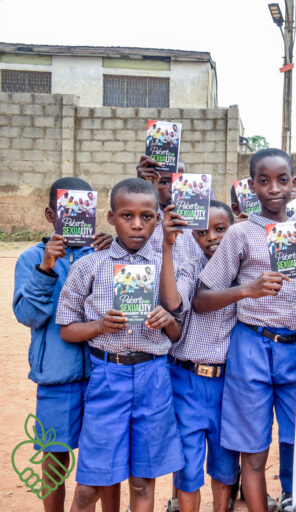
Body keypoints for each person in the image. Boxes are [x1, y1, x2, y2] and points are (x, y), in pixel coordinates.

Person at [192, 149, 296, 512]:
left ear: (293, 185)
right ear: (251, 187)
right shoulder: (239, 235)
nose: (273, 188)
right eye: (263, 181)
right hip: (251, 345)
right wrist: (247, 290)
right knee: (253, 451)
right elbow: (201, 299)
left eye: (282, 181)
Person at [56, 178, 184, 512]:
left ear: (157, 220)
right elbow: (66, 330)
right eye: (127, 216)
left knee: (143, 481)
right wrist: (99, 325)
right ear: (111, 217)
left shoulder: (164, 265)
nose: (137, 224)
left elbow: (177, 331)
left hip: (153, 378)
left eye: (146, 216)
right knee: (91, 484)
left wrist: (166, 318)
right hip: (107, 378)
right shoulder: (89, 265)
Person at [12, 177, 119, 512]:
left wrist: (113, 251)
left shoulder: (102, 253)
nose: (76, 218)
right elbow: (28, 315)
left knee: (105, 456)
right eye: (67, 211)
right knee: (55, 456)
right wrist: (46, 268)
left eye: (83, 211)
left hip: (102, 372)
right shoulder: (31, 258)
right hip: (55, 377)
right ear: (50, 214)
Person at [158, 199, 240, 512]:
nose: (212, 237)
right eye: (202, 231)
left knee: (224, 464)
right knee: (188, 469)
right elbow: (173, 302)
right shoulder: (192, 269)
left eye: (221, 229)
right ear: (193, 237)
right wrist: (167, 246)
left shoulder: (244, 273)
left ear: (235, 231)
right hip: (186, 380)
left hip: (228, 384)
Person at [136, 155, 204, 266]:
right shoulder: (145, 221)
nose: (173, 188)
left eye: (181, 182)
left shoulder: (201, 220)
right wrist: (140, 184)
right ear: (152, 184)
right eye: (164, 182)